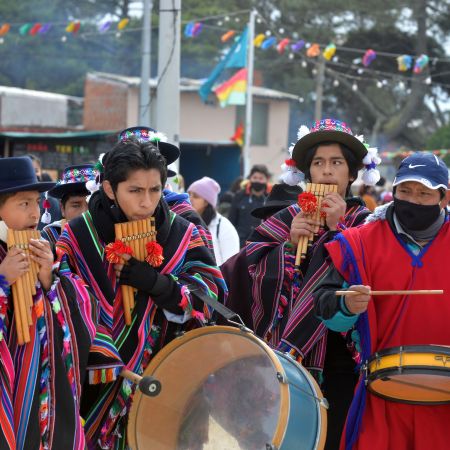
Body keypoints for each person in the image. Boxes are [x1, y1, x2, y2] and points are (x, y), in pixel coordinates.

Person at [56, 136, 227, 449]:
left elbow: (211, 295)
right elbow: (62, 300)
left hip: (165, 379)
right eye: (135, 191)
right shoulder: (77, 234)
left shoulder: (182, 232)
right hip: (94, 381)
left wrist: (159, 285)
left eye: (155, 190)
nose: (147, 203)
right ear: (110, 189)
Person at [245, 119, 381, 450]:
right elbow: (254, 269)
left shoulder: (367, 224)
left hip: (343, 358)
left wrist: (338, 233)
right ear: (308, 174)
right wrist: (289, 247)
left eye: (337, 163)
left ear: (351, 174)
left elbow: (372, 276)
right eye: (318, 163)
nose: (327, 171)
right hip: (291, 356)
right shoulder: (287, 218)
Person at [312, 152, 450, 450]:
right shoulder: (358, 242)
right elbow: (323, 304)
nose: (412, 200)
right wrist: (347, 306)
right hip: (382, 395)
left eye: (424, 193)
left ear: (444, 197)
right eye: (405, 191)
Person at [0, 156, 96, 448]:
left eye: (37, 201)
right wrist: (3, 281)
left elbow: (80, 305)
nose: (36, 211)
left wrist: (48, 280)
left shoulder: (45, 248)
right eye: (24, 203)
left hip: (42, 380)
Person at [119, 127, 214, 253]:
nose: (145, 202)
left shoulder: (187, 218)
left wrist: (149, 273)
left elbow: (206, 270)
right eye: (135, 190)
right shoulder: (103, 215)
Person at [220, 182, 302, 327]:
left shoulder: (316, 253)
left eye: (286, 218)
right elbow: (219, 281)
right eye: (274, 219)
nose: (280, 224)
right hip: (254, 342)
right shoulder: (246, 256)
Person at [187, 176, 240, 265]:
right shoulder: (185, 222)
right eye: (189, 194)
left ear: (207, 202)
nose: (190, 199)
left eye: (195, 196)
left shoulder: (224, 227)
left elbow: (231, 265)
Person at [41, 164, 97, 246]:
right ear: (62, 209)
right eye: (76, 205)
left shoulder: (111, 234)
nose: (84, 213)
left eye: (91, 204)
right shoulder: (49, 237)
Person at [229, 164, 271, 247]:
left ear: (266, 180)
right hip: (240, 244)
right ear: (250, 179)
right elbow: (232, 220)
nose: (257, 181)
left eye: (261, 178)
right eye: (255, 178)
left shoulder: (270, 199)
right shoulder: (239, 196)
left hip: (262, 245)